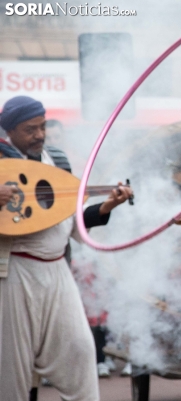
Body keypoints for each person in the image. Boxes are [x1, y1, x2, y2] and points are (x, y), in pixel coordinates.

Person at [0, 95, 133, 400]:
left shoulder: (57, 160)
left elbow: (71, 220)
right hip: (13, 272)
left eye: (42, 126)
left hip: (57, 269)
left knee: (80, 351)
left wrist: (107, 205)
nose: (39, 135)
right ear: (10, 130)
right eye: (29, 129)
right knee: (11, 369)